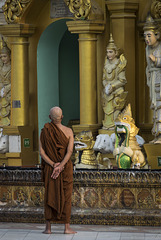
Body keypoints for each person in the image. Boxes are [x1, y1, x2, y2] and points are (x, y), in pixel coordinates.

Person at [40, 106, 76, 234]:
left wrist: (53, 165)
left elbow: (42, 152)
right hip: (65, 169)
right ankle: (66, 228)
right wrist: (61, 166)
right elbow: (70, 151)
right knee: (66, 197)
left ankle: (48, 228)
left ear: (50, 117)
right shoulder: (68, 131)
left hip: (51, 169)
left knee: (50, 195)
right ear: (62, 117)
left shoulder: (45, 131)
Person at [102, 34, 128, 130]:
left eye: (110, 52)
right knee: (107, 111)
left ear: (116, 53)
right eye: (107, 52)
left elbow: (122, 80)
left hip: (116, 91)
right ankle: (107, 126)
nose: (108, 54)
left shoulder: (119, 64)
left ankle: (115, 127)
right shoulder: (106, 64)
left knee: (115, 110)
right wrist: (106, 86)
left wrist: (112, 86)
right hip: (107, 92)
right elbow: (104, 78)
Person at [143, 14, 161, 143]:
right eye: (145, 36)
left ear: (157, 35)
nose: (147, 39)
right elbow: (148, 67)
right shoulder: (147, 49)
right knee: (155, 107)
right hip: (153, 79)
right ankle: (157, 135)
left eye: (149, 35)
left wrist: (157, 60)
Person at [0, 37, 11, 126]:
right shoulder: (1, 68)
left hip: (10, 92)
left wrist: (6, 88)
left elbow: (15, 82)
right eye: (1, 57)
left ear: (9, 56)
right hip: (2, 92)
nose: (3, 58)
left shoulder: (13, 67)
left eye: (5, 56)